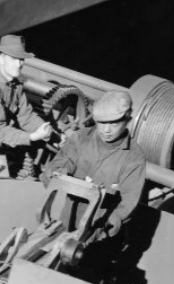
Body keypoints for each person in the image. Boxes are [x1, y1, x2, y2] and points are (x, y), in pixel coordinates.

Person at [41, 90, 146, 237]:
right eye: (102, 123)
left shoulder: (134, 158)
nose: (106, 130)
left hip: (100, 227)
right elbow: (61, 163)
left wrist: (108, 223)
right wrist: (58, 172)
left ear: (127, 119)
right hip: (67, 216)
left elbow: (128, 201)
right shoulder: (80, 138)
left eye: (114, 123)